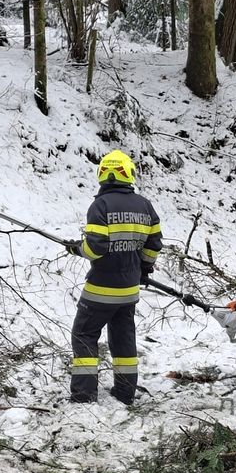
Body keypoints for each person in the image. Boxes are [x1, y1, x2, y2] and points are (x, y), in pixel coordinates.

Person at [65, 150, 163, 404]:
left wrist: (77, 248)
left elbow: (95, 248)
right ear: (128, 173)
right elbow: (153, 246)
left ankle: (84, 396)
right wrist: (143, 270)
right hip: (129, 290)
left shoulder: (100, 205)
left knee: (84, 334)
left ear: (102, 174)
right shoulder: (145, 205)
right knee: (123, 340)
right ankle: (125, 393)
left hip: (100, 289)